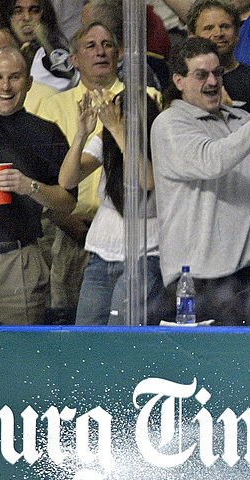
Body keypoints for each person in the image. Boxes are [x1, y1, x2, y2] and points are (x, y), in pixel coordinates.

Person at [152, 37, 250, 326]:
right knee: (211, 368)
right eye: (201, 75)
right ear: (179, 81)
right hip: (202, 279)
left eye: (217, 73)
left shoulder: (242, 120)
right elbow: (211, 160)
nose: (213, 81)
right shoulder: (169, 124)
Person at [38, 21, 126, 325]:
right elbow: (46, 174)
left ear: (120, 53)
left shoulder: (139, 100)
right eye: (90, 46)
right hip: (64, 229)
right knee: (66, 324)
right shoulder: (52, 106)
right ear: (74, 58)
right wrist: (66, 219)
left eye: (107, 45)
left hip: (120, 232)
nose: (100, 52)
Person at [0, 46, 76, 324]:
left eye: (14, 77)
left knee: (21, 360)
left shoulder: (46, 134)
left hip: (19, 263)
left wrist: (30, 187)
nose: (5, 86)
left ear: (30, 82)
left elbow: (67, 201)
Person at [60, 90, 164, 325]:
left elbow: (147, 181)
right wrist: (82, 134)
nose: (112, 119)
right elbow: (67, 180)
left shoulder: (159, 138)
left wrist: (118, 130)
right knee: (86, 337)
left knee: (121, 336)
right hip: (102, 254)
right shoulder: (107, 137)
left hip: (145, 256)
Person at [188, 0, 250, 117]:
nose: (218, 33)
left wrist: (229, 112)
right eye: (209, 28)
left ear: (237, 33)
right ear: (192, 37)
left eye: (225, 26)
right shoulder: (183, 85)